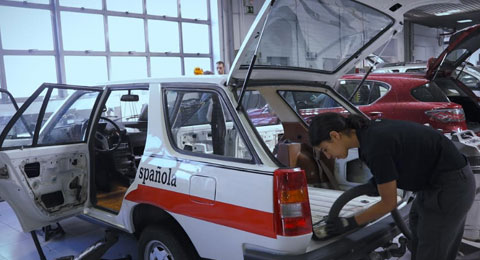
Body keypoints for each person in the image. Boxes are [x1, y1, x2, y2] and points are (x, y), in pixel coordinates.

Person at [308, 112, 475, 260]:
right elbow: (399, 159)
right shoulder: (369, 134)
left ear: (335, 135)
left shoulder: (374, 145)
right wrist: (377, 183)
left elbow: (389, 204)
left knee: (433, 248)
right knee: (418, 230)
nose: (328, 156)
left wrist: (348, 223)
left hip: (450, 187)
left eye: (325, 149)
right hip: (436, 185)